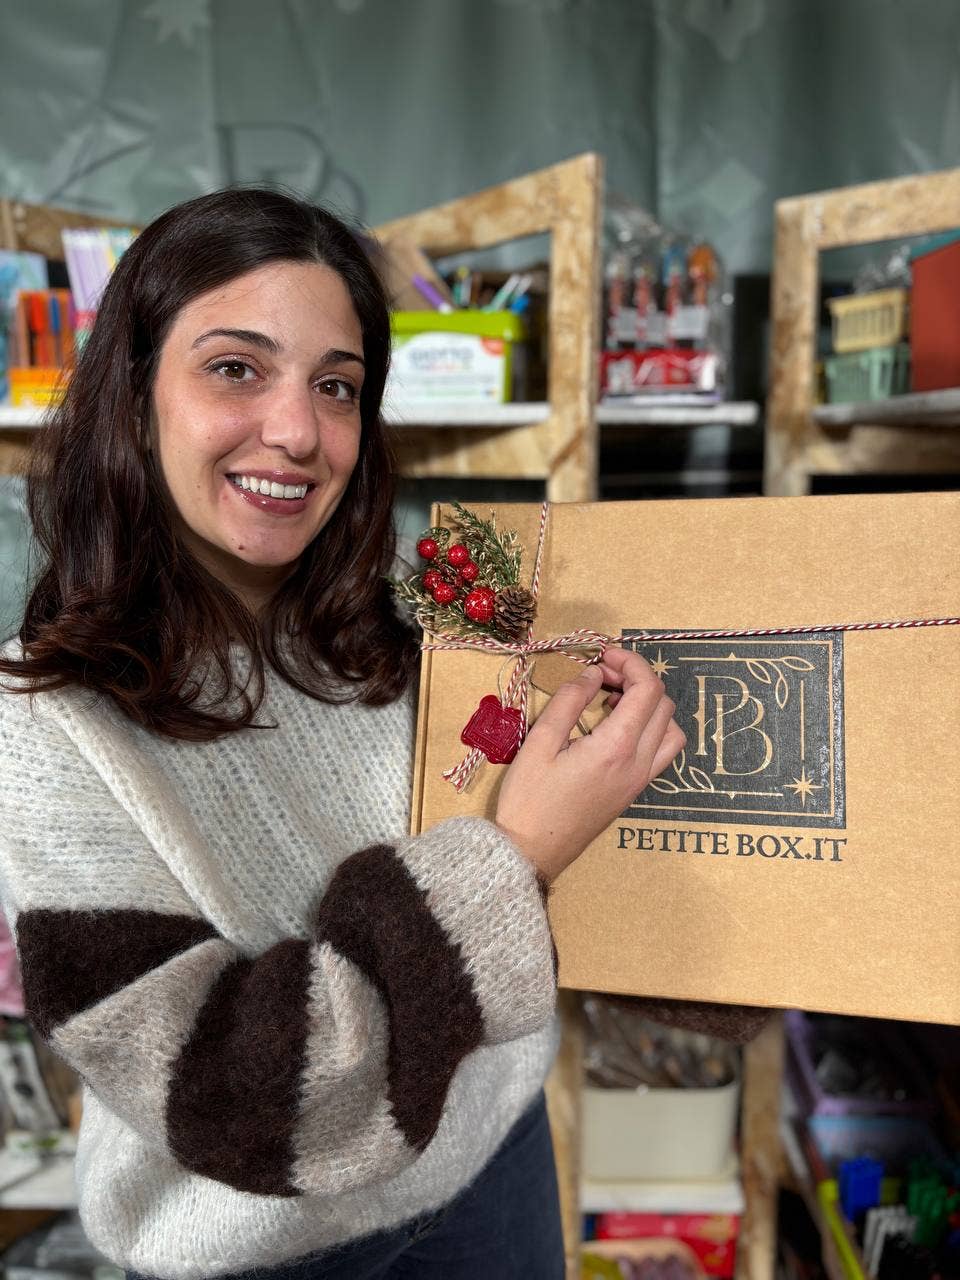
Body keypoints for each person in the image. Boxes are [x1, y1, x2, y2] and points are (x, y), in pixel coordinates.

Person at [0, 187, 685, 1280]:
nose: (298, 432)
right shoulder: (45, 722)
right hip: (263, 1249)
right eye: (236, 367)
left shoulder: (423, 632)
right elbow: (238, 1095)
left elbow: (564, 908)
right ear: (132, 393)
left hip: (493, 1169)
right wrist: (514, 855)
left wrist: (737, 896)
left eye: (337, 386)